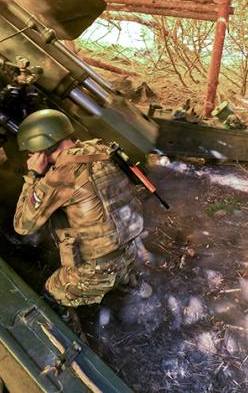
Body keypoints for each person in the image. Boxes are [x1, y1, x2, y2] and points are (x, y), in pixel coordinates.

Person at [13, 109, 148, 309]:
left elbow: (23, 225)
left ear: (41, 148)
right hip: (129, 251)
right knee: (120, 270)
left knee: (51, 293)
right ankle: (138, 288)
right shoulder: (101, 149)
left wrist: (33, 175)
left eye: (31, 152)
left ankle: (67, 327)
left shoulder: (59, 178)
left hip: (98, 271)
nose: (30, 155)